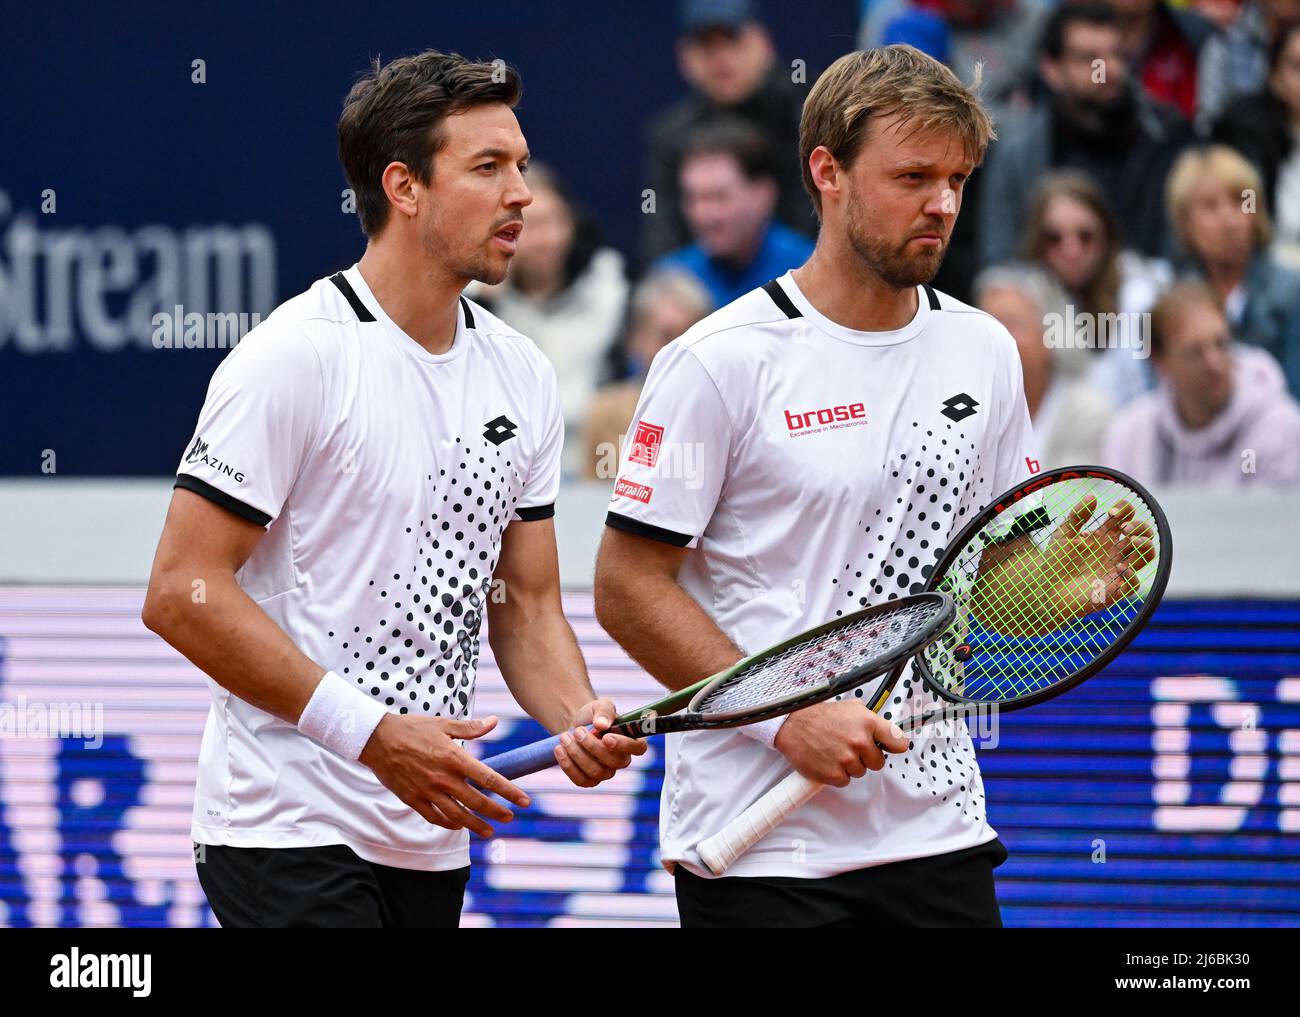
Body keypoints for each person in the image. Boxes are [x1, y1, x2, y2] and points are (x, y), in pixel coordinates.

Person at [141, 51, 643, 929]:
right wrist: (369, 734)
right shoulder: (294, 355)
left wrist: (577, 713)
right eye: (488, 167)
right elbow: (181, 593)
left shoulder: (521, 375)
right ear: (403, 187)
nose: (521, 192)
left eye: (521, 165)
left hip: (427, 830)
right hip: (286, 826)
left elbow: (523, 606)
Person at [595, 45, 1057, 928]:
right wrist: (789, 719)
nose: (943, 205)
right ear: (827, 171)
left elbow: (1000, 564)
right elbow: (626, 588)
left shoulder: (986, 350)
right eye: (914, 175)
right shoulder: (715, 361)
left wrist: (1066, 576)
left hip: (937, 832)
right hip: (761, 849)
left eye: (958, 179)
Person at [978, 2, 1192, 267]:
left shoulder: (1170, 136)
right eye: (1089, 58)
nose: (1109, 70)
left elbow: (1184, 255)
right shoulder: (1017, 151)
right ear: (1052, 70)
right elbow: (1000, 260)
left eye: (1117, 55)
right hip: (1047, 302)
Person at [468, 163, 630, 477]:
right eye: (536, 226)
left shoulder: (611, 288)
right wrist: (489, 303)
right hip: (510, 466)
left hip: (598, 465)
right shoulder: (475, 302)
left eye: (559, 220)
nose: (552, 239)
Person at [640, 0, 815, 263]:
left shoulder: (809, 110)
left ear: (763, 44)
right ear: (684, 58)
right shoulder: (669, 135)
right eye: (706, 47)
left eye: (732, 41)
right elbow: (659, 225)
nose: (721, 59)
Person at [1102, 281, 1300, 485]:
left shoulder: (1280, 428)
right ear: (1159, 361)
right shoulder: (1128, 437)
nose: (1214, 364)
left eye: (1221, 344)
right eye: (1195, 353)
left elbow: (1271, 516)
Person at [1019, 170, 1173, 404]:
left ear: (1106, 237)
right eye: (1054, 238)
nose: (1071, 251)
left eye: (1085, 236)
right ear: (1038, 244)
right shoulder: (1025, 303)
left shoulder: (1141, 296)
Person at [1166, 143, 1300, 397]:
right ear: (1185, 222)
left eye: (1241, 202)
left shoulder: (1294, 292)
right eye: (1210, 206)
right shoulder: (1172, 301)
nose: (1229, 220)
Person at [653, 119, 815, 308]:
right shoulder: (671, 281)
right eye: (693, 198)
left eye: (720, 197)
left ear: (764, 194)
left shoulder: (810, 274)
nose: (703, 215)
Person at [974, 265, 1114, 469]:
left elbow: (1071, 496)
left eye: (1010, 324)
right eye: (985, 326)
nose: (995, 338)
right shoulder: (969, 409)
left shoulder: (1087, 411)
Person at [584, 270, 713, 481]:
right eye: (668, 337)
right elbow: (589, 501)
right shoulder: (605, 413)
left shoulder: (728, 415)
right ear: (638, 337)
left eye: (692, 338)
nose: (680, 353)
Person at [1212, 20, 1300, 249]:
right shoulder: (1247, 134)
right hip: (1264, 263)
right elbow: (1246, 204)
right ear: (1275, 78)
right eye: (1298, 67)